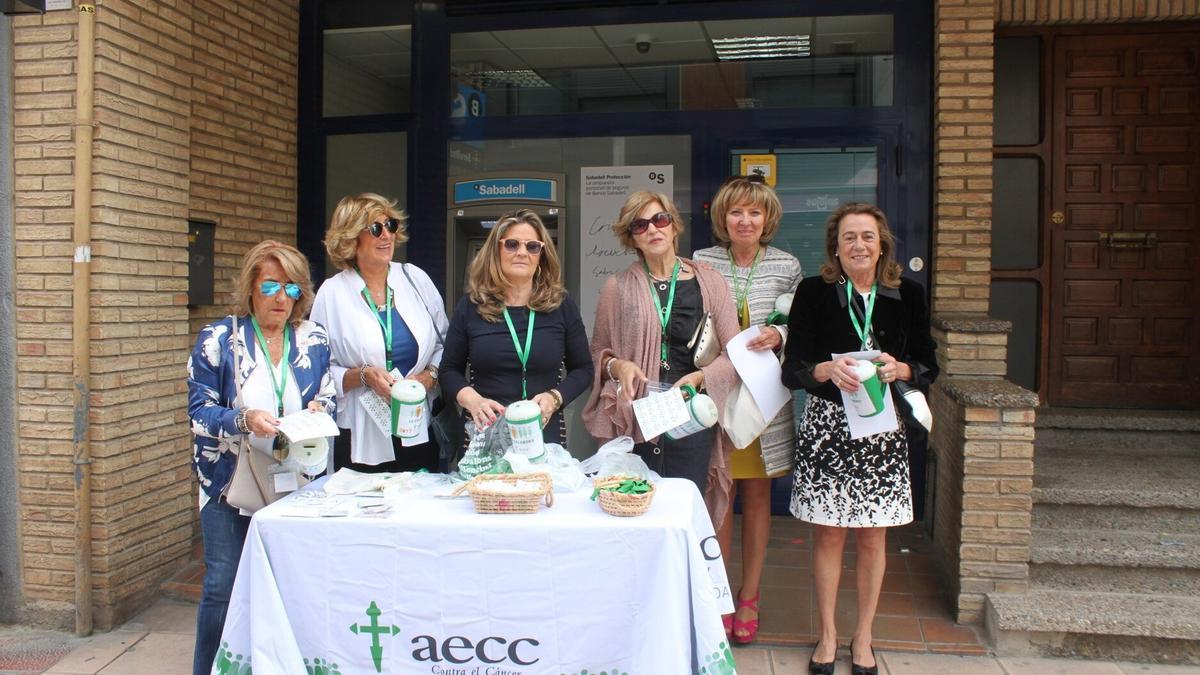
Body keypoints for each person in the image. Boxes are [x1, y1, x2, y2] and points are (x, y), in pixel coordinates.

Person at [780, 203, 938, 675]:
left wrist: (903, 368)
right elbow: (794, 369)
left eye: (867, 236)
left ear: (882, 243)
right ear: (835, 246)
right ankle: (828, 635)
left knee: (873, 539)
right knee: (828, 537)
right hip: (830, 427)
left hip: (883, 428)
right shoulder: (814, 292)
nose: (858, 246)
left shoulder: (906, 293)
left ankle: (863, 637)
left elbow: (928, 361)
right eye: (849, 237)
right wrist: (824, 369)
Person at [187, 240, 336, 675]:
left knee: (290, 585)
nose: (280, 299)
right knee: (223, 584)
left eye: (291, 290)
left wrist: (317, 411)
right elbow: (198, 412)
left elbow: (326, 396)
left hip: (297, 484)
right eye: (271, 285)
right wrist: (244, 418)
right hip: (231, 483)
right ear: (251, 286)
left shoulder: (313, 338)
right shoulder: (220, 339)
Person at [582, 190, 741, 523]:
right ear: (632, 238)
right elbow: (598, 351)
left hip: (691, 413)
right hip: (638, 415)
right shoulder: (617, 286)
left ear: (673, 226)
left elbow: (734, 353)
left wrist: (700, 378)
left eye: (660, 219)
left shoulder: (710, 281)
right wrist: (619, 365)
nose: (652, 229)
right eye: (640, 225)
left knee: (686, 509)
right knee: (637, 510)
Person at [693, 175, 802, 646]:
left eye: (755, 212)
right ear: (723, 217)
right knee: (719, 495)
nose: (745, 220)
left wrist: (780, 335)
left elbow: (801, 321)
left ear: (767, 219)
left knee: (757, 498)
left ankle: (750, 595)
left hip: (762, 398)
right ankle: (717, 596)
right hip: (717, 393)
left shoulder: (787, 264)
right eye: (736, 211)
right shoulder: (701, 261)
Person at [311, 193, 449, 473]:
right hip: (359, 432)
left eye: (391, 225)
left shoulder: (415, 279)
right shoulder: (332, 293)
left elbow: (445, 342)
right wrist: (364, 376)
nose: (387, 235)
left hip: (417, 425)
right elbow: (317, 368)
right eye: (376, 228)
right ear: (351, 238)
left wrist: (430, 376)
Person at [439, 209, 592, 445]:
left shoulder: (560, 305)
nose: (522, 252)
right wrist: (472, 400)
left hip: (543, 435)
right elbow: (448, 370)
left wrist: (554, 398)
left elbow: (583, 370)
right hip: (485, 435)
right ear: (496, 251)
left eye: (532, 246)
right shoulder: (471, 306)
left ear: (541, 254)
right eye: (512, 244)